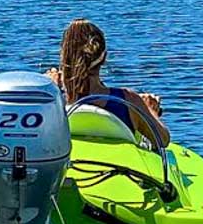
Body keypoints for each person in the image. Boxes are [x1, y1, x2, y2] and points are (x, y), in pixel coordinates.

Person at [46, 19, 170, 147]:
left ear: (63, 58)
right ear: (104, 58)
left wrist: (49, 87)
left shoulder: (51, 103)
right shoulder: (129, 101)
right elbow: (163, 140)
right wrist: (150, 109)